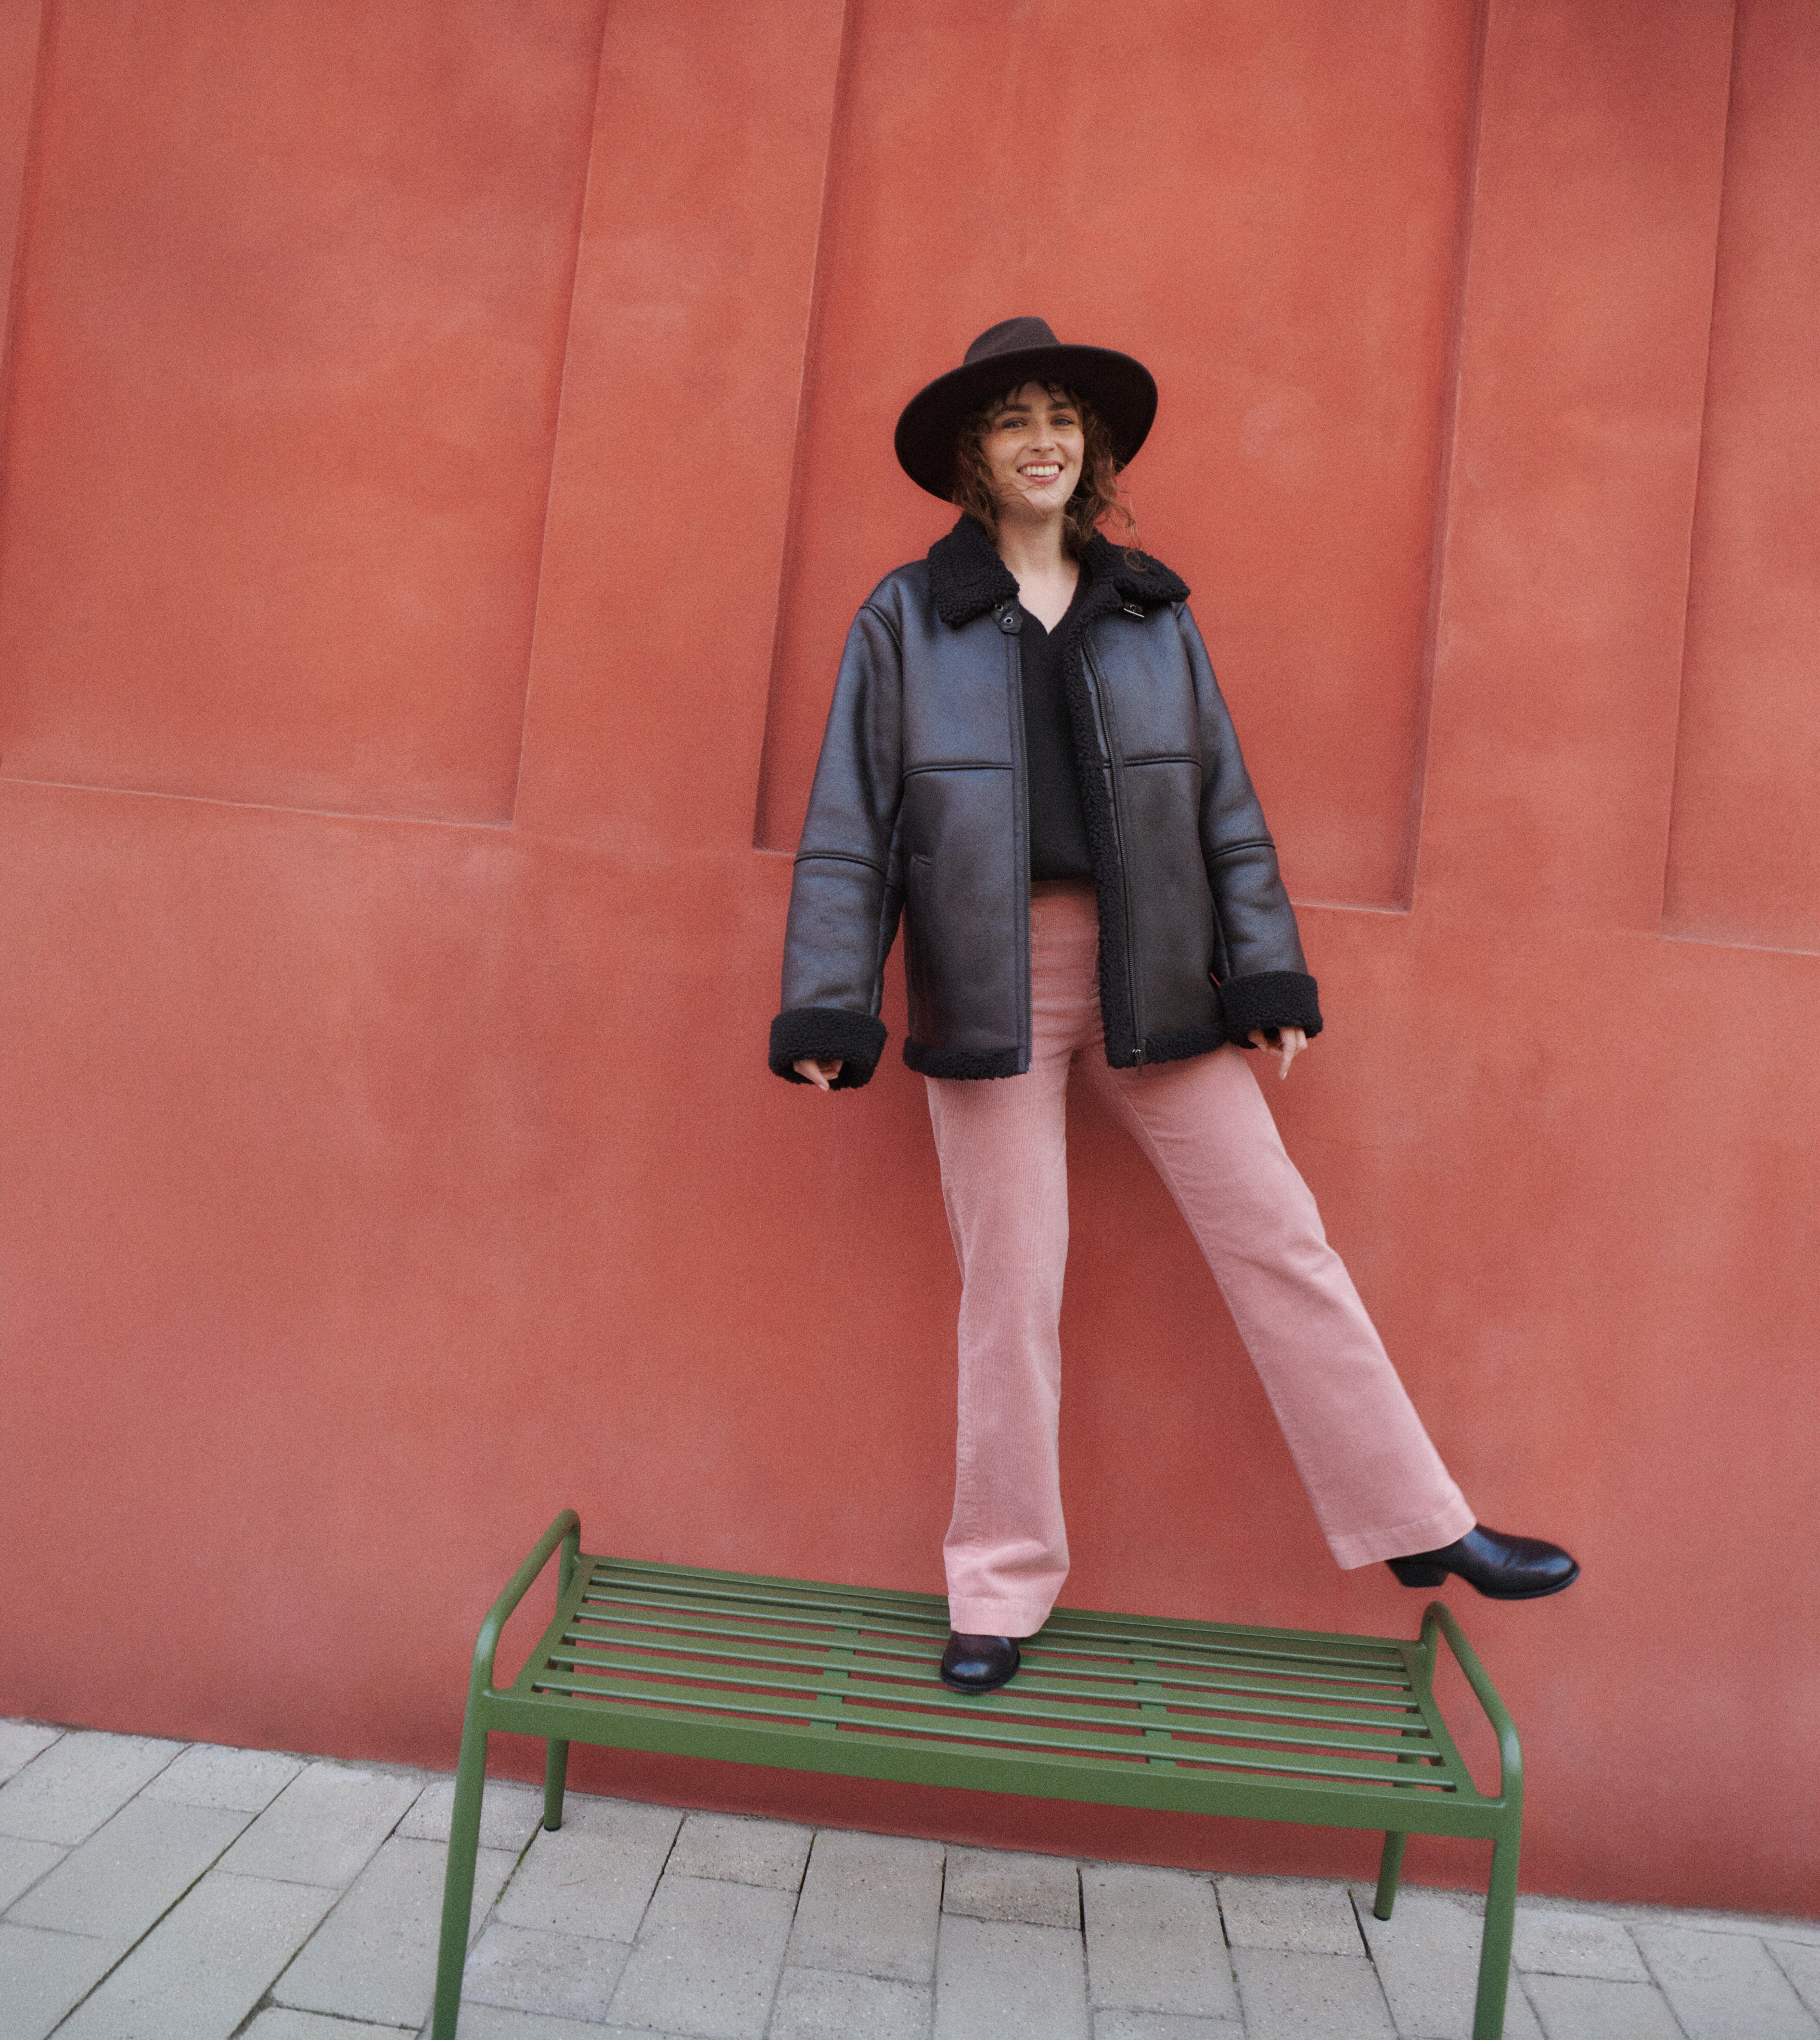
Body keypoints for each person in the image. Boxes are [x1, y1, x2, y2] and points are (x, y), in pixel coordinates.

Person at [770, 318, 1578, 1695]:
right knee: (1011, 1292)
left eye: (1060, 419)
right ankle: (997, 1587)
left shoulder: (1151, 610)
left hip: (1152, 974)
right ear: (973, 454)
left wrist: (1265, 974)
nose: (1040, 441)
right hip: (992, 983)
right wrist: (828, 1004)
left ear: (1087, 449)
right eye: (1012, 419)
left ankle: (1420, 1524)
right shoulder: (905, 616)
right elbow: (851, 823)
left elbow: (1224, 807)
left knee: (1282, 1241)